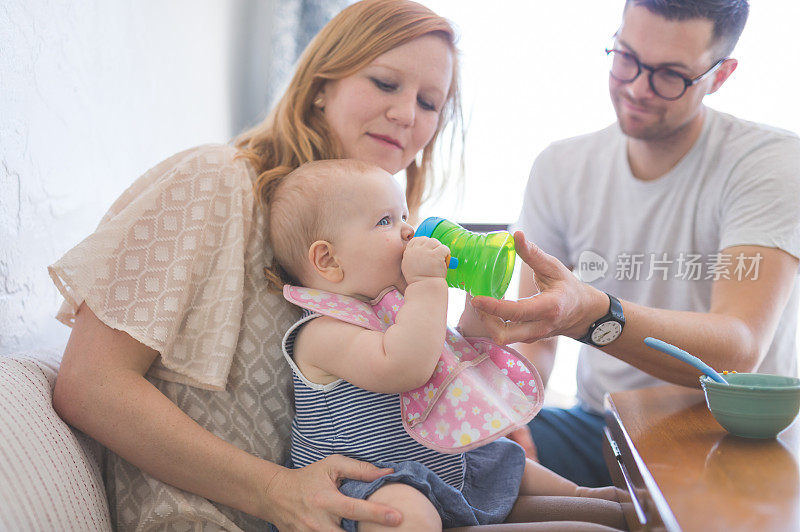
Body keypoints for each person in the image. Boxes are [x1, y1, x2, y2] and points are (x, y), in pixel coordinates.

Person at [49, 1, 466, 529]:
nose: (408, 114)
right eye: (385, 84)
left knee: (597, 512)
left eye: (429, 103)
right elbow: (89, 385)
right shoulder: (215, 182)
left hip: (363, 512)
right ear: (320, 83)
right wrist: (276, 492)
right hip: (206, 519)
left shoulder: (387, 248)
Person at [470, 0, 800, 488]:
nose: (636, 88)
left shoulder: (768, 162)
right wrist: (507, 411)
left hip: (729, 436)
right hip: (602, 427)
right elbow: (534, 337)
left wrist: (593, 314)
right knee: (435, 451)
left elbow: (739, 348)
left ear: (721, 74)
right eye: (626, 57)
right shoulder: (561, 167)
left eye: (670, 75)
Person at [266, 158, 627, 531]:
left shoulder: (397, 309)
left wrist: (475, 317)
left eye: (404, 216)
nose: (408, 232)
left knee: (507, 458)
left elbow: (449, 361)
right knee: (405, 512)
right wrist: (426, 284)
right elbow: (406, 367)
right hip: (372, 483)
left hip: (444, 464)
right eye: (385, 221)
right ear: (328, 260)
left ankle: (592, 499)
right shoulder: (322, 333)